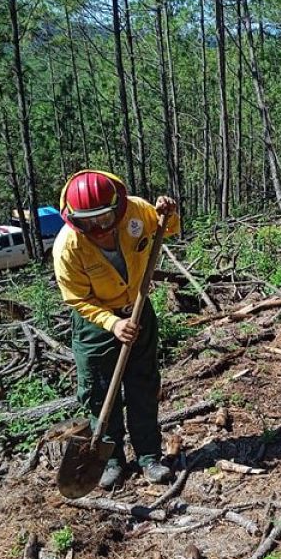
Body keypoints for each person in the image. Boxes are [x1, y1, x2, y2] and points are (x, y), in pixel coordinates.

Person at [53, 170, 179, 489]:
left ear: (117, 209)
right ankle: (110, 460)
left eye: (105, 218)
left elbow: (169, 229)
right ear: (73, 219)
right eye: (87, 223)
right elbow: (77, 299)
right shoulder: (67, 247)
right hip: (96, 322)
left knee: (143, 384)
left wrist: (169, 213)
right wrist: (112, 323)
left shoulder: (137, 211)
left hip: (137, 310)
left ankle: (149, 456)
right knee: (98, 392)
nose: (98, 229)